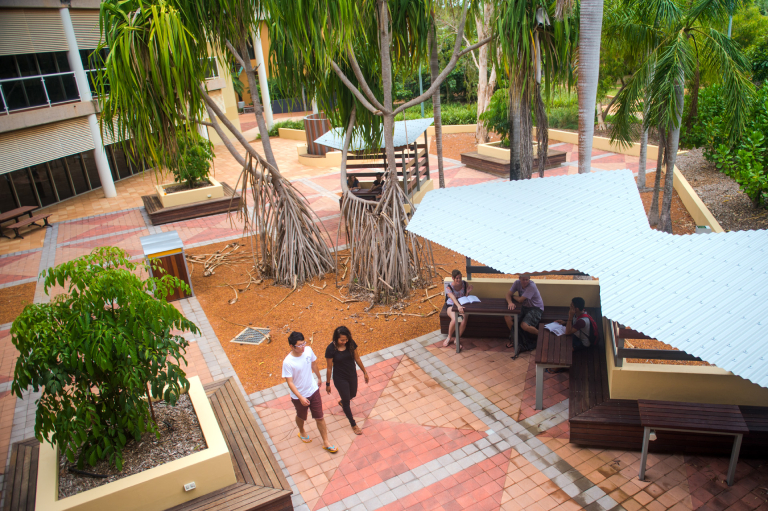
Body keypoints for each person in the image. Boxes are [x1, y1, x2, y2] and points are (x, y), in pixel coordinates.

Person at [282, 331, 338, 453]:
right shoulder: (288, 362)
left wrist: (318, 377)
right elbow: (290, 382)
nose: (303, 347)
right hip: (299, 396)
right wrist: (300, 397)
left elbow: (313, 363)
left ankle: (326, 442)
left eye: (304, 343)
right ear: (292, 346)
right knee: (301, 416)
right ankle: (301, 430)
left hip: (313, 390)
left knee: (320, 417)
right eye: (299, 345)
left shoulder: (308, 350)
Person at [325, 326, 369, 435]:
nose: (345, 342)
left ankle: (343, 401)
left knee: (353, 394)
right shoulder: (331, 349)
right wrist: (328, 383)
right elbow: (329, 367)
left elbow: (357, 358)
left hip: (352, 375)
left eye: (346, 339)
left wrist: (364, 372)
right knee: (347, 401)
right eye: (342, 340)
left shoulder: (350, 343)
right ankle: (353, 424)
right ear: (336, 339)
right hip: (340, 378)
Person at [505, 274, 544, 350]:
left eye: (527, 279)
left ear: (529, 279)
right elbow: (507, 294)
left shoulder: (531, 286)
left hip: (536, 308)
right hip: (523, 307)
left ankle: (542, 336)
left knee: (524, 325)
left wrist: (513, 296)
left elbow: (520, 300)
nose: (525, 281)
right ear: (519, 278)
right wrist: (510, 302)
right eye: (523, 279)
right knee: (507, 316)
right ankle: (515, 339)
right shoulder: (516, 283)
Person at [443, 269, 473, 348]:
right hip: (452, 305)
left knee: (463, 320)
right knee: (455, 319)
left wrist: (468, 292)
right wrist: (458, 306)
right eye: (457, 278)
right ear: (453, 278)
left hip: (462, 304)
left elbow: (465, 297)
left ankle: (457, 339)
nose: (459, 280)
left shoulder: (465, 284)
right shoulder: (449, 287)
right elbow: (452, 298)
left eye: (460, 278)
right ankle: (449, 337)